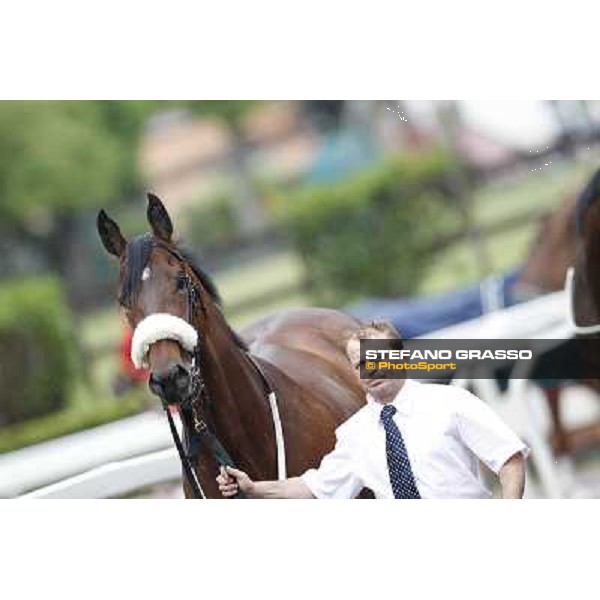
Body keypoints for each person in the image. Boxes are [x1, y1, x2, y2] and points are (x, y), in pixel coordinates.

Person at [217, 321, 528, 499]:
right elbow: (312, 488)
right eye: (361, 365)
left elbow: (508, 458)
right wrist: (252, 488)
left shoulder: (449, 403)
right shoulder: (355, 435)